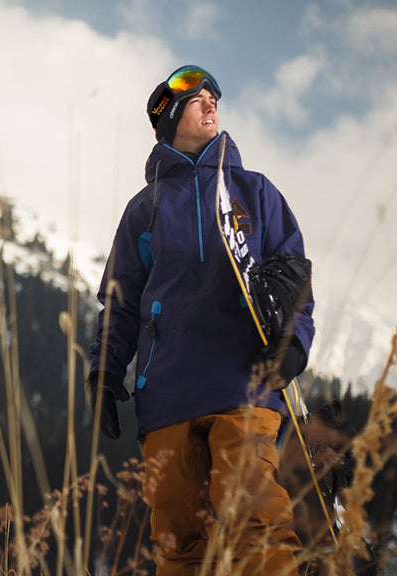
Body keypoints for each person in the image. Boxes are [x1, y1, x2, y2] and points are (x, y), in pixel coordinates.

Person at [86, 64, 315, 575]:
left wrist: (293, 344)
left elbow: (296, 280)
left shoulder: (255, 192)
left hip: (244, 385)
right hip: (165, 397)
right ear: (168, 119)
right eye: (197, 100)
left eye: (214, 97)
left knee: (255, 523)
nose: (211, 104)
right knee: (178, 544)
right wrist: (104, 368)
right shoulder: (143, 211)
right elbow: (120, 303)